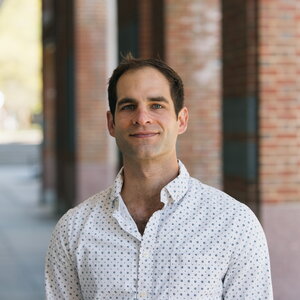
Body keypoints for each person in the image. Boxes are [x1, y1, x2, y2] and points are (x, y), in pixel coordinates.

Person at [45, 56, 273, 300]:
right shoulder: (73, 230)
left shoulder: (235, 224)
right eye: (128, 106)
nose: (142, 118)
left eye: (157, 105)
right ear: (111, 123)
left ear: (181, 120)